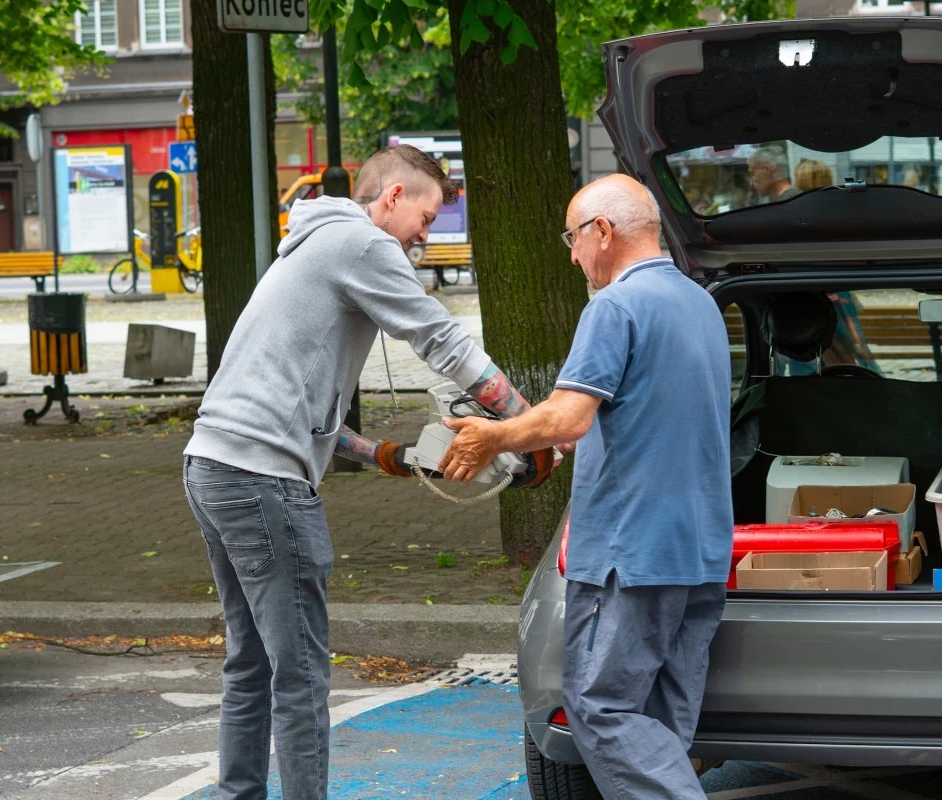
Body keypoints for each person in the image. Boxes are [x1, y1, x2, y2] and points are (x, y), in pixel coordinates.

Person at [182, 144, 545, 800]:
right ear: (392, 198)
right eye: (427, 218)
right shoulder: (362, 245)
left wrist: (387, 455)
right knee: (300, 678)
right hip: (263, 481)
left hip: (212, 465)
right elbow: (444, 344)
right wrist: (529, 427)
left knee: (252, 664)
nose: (426, 237)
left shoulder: (311, 244)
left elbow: (303, 410)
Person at [439, 174, 733, 799]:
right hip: (700, 548)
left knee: (602, 709)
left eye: (573, 237)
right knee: (660, 723)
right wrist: (576, 436)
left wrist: (493, 437)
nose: (572, 255)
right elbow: (655, 411)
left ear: (603, 231)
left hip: (632, 552)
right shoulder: (700, 303)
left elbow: (569, 416)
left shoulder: (615, 306)